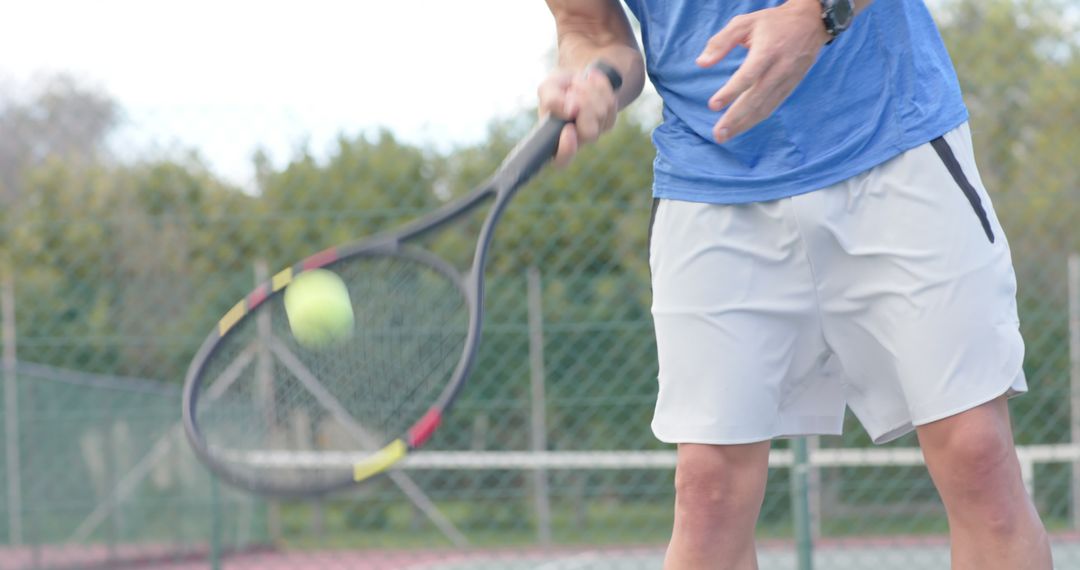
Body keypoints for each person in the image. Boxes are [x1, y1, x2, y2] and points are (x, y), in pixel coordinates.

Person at [538, 0, 1053, 568]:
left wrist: (819, 12)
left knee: (977, 457)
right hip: (709, 177)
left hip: (894, 139)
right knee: (709, 493)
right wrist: (593, 77)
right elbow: (591, 30)